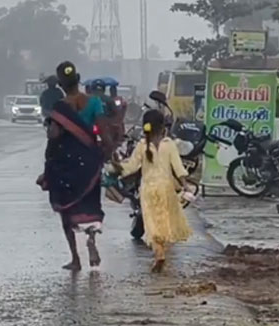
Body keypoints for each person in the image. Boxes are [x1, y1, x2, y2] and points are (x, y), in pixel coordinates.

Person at [41, 61, 106, 270]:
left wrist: (46, 169)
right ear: (78, 80)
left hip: (66, 165)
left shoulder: (60, 108)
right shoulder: (95, 103)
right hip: (89, 164)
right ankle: (92, 240)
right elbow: (104, 133)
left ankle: (75, 258)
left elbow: (54, 137)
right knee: (91, 205)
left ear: (60, 84)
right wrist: (104, 155)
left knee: (66, 211)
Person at [112, 109, 194, 272]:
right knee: (166, 223)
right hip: (166, 189)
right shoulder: (169, 144)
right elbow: (178, 168)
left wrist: (116, 167)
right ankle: (163, 252)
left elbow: (131, 167)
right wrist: (185, 186)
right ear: (163, 126)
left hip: (148, 190)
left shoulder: (142, 146)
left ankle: (159, 254)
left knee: (152, 225)